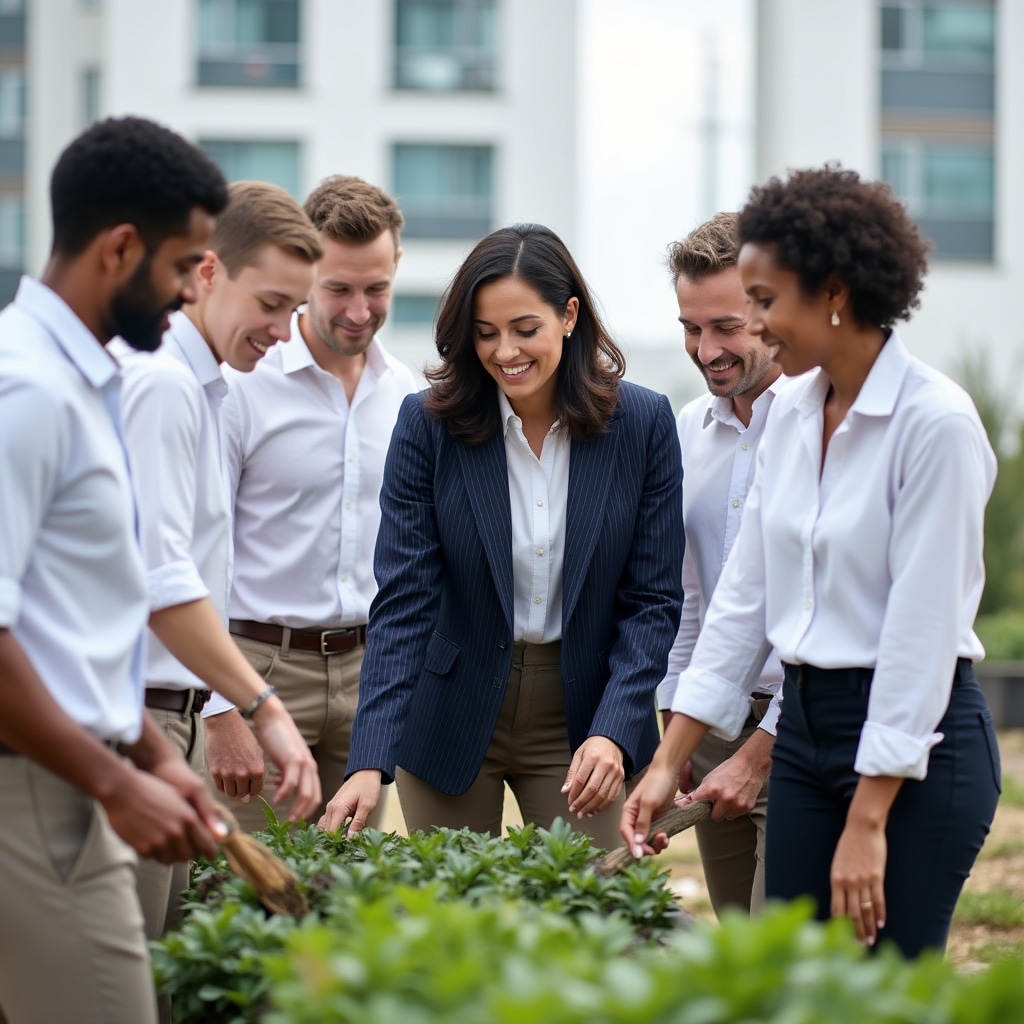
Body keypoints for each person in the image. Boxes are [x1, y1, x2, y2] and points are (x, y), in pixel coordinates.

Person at [622, 165, 1001, 958]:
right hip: (808, 736)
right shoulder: (792, 413)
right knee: (792, 979)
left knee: (881, 988)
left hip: (915, 746)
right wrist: (669, 762)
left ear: (833, 291)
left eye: (764, 303)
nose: (753, 329)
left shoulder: (935, 424)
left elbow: (922, 634)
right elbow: (743, 600)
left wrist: (868, 819)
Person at [324, 222, 684, 849]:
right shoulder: (427, 424)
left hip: (583, 717)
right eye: (485, 333)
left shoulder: (643, 424)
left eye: (525, 329)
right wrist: (368, 760)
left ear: (569, 316)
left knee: (590, 915)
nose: (504, 352)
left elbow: (653, 600)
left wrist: (617, 726)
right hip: (450, 711)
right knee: (458, 924)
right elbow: (404, 601)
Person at [0, 117, 228, 1024]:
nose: (184, 295)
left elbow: (65, 628)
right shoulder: (28, 390)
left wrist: (140, 750)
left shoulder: (78, 379)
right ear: (120, 247)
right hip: (33, 787)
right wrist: (114, 781)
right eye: (181, 268)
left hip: (68, 770)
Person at [111, 180, 324, 947]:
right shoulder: (163, 385)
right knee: (129, 978)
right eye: (270, 304)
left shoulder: (214, 389)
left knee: (162, 963)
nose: (283, 330)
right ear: (206, 274)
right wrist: (263, 708)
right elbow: (159, 577)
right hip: (137, 717)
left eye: (294, 310)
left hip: (177, 715)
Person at [202, 175, 418, 831]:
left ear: (396, 270)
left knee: (344, 900)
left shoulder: (406, 393)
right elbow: (197, 549)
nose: (359, 309)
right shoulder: (242, 382)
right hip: (257, 668)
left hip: (367, 676)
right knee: (245, 903)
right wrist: (219, 710)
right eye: (338, 289)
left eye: (375, 288)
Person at [655, 212, 785, 916]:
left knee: (789, 957)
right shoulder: (686, 431)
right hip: (714, 731)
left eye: (726, 326)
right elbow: (690, 599)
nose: (707, 352)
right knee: (743, 952)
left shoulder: (826, 424)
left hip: (802, 735)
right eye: (690, 327)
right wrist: (677, 739)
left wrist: (759, 753)